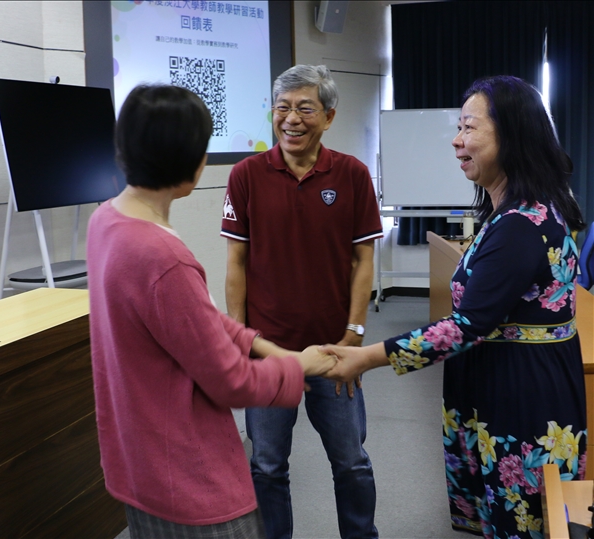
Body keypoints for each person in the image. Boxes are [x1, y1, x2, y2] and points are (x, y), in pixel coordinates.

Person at [323, 75, 587, 538]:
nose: (456, 139)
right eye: (458, 127)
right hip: (510, 381)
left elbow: (466, 326)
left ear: (511, 136)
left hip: (521, 398)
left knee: (522, 521)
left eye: (469, 127)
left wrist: (366, 357)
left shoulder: (520, 225)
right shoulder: (518, 210)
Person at [87, 83, 336, 539]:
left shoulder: (107, 220)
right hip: (188, 479)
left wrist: (263, 346)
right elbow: (231, 382)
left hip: (140, 465)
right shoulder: (164, 257)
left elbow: (190, 317)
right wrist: (300, 365)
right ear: (194, 161)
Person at [221, 65, 382, 539]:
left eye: (305, 109)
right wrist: (242, 338)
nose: (291, 119)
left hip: (334, 352)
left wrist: (353, 335)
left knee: (351, 462)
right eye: (283, 108)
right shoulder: (246, 175)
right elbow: (236, 263)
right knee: (268, 465)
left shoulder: (352, 174)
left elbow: (363, 260)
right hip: (270, 354)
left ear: (328, 117)